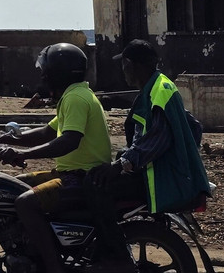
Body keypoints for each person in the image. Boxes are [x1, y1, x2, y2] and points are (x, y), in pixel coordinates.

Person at [0, 43, 114, 273]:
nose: (42, 75)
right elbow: (46, 133)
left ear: (57, 72)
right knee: (13, 184)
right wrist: (2, 139)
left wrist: (23, 154)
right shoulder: (75, 94)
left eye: (45, 70)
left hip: (81, 178)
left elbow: (69, 141)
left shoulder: (75, 99)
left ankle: (53, 267)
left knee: (25, 203)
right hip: (72, 174)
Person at [90, 39, 209, 213]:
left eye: (123, 65)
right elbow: (194, 126)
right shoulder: (157, 86)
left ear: (131, 65)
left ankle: (111, 239)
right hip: (159, 169)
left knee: (94, 185)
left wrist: (120, 164)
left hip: (160, 177)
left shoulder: (159, 91)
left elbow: (157, 140)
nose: (123, 71)